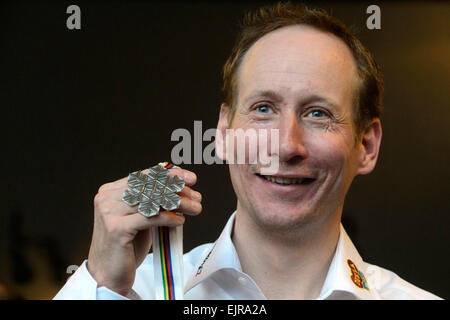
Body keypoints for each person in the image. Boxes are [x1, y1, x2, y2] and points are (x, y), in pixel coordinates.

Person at [54, 2, 440, 300]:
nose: (286, 145)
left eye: (318, 113)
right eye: (263, 109)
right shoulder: (127, 290)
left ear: (367, 145)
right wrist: (101, 283)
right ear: (223, 133)